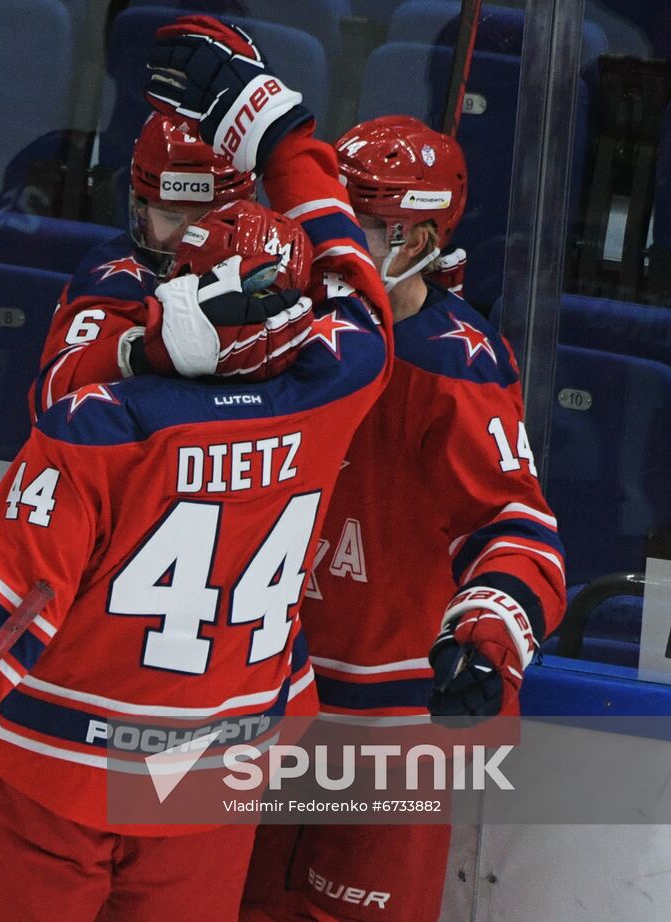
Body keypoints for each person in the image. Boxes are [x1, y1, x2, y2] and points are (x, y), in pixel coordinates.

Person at [0, 17, 399, 916]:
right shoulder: (334, 373)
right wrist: (282, 127)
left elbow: (24, 553)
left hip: (81, 744)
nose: (181, 240)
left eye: (206, 217)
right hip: (218, 756)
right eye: (167, 213)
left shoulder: (111, 422)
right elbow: (352, 285)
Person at [238, 117, 569, 922]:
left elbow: (515, 526)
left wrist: (487, 640)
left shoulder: (454, 365)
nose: (334, 247)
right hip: (260, 700)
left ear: (421, 235)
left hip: (387, 727)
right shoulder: (275, 327)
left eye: (364, 226)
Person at [28, 111, 257, 419]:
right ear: (142, 209)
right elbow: (51, 402)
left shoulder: (278, 263)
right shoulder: (115, 274)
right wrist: (143, 352)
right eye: (170, 216)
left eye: (208, 218)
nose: (188, 238)